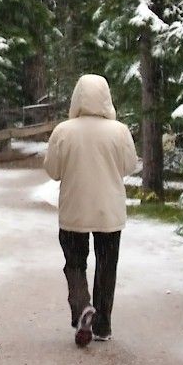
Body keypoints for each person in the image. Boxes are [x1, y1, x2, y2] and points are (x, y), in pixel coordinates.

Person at [44, 74, 139, 347]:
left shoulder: (63, 130)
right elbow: (129, 166)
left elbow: (53, 171)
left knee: (75, 263)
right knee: (107, 266)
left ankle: (83, 306)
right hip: (109, 211)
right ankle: (103, 325)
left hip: (74, 209)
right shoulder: (119, 131)